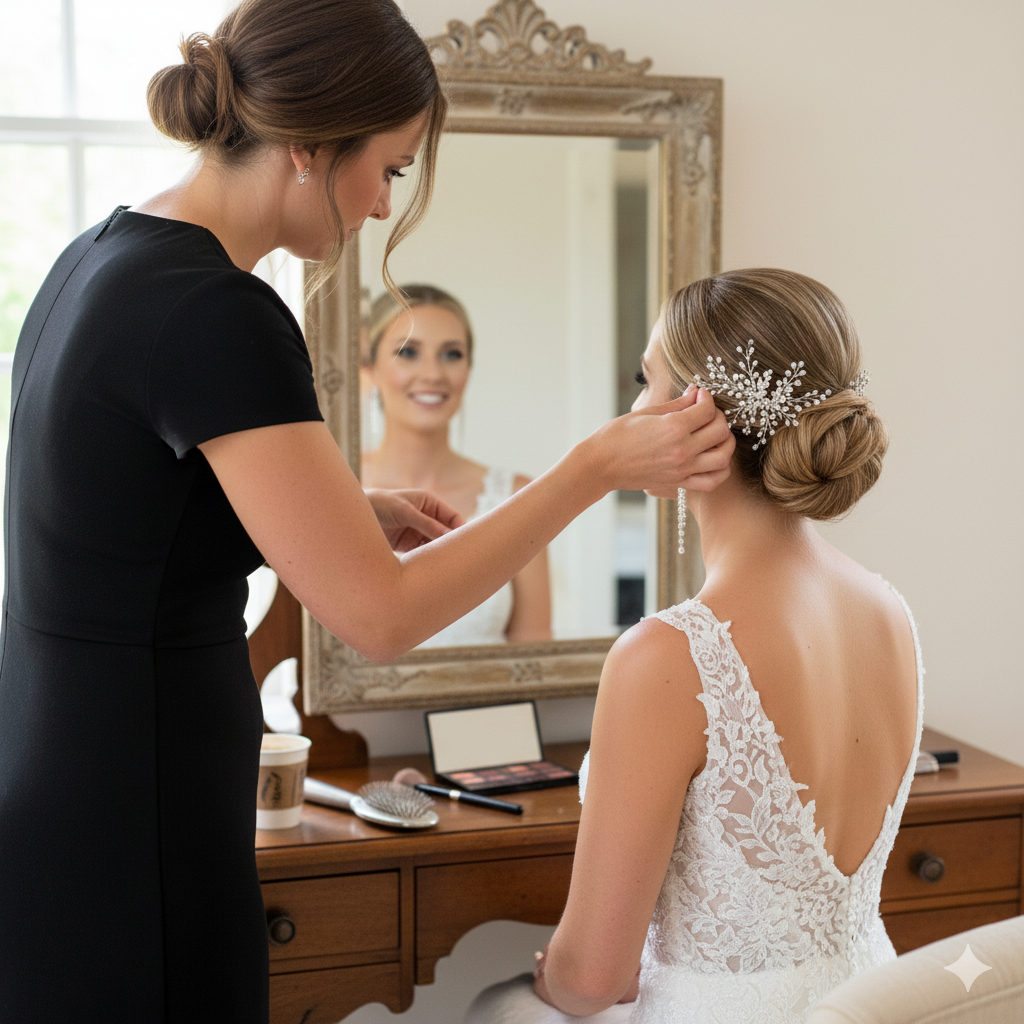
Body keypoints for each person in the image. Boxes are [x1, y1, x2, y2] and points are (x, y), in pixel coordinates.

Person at [0, 2, 735, 1022]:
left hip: (64, 778)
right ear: (306, 147)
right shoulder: (220, 309)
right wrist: (588, 467)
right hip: (138, 816)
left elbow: (121, 530)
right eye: (388, 169)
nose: (384, 208)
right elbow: (378, 620)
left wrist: (347, 512)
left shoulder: (103, 257)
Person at [466, 268, 922, 1024]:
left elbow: (589, 981)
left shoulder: (668, 657)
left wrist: (555, 977)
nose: (634, 408)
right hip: (874, 997)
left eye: (647, 381)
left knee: (492, 1009)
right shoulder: (889, 611)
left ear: (693, 411)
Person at [362, 284, 551, 646]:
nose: (433, 373)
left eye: (451, 354)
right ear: (370, 369)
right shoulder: (334, 490)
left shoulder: (516, 497)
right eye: (408, 352)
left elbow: (535, 664)